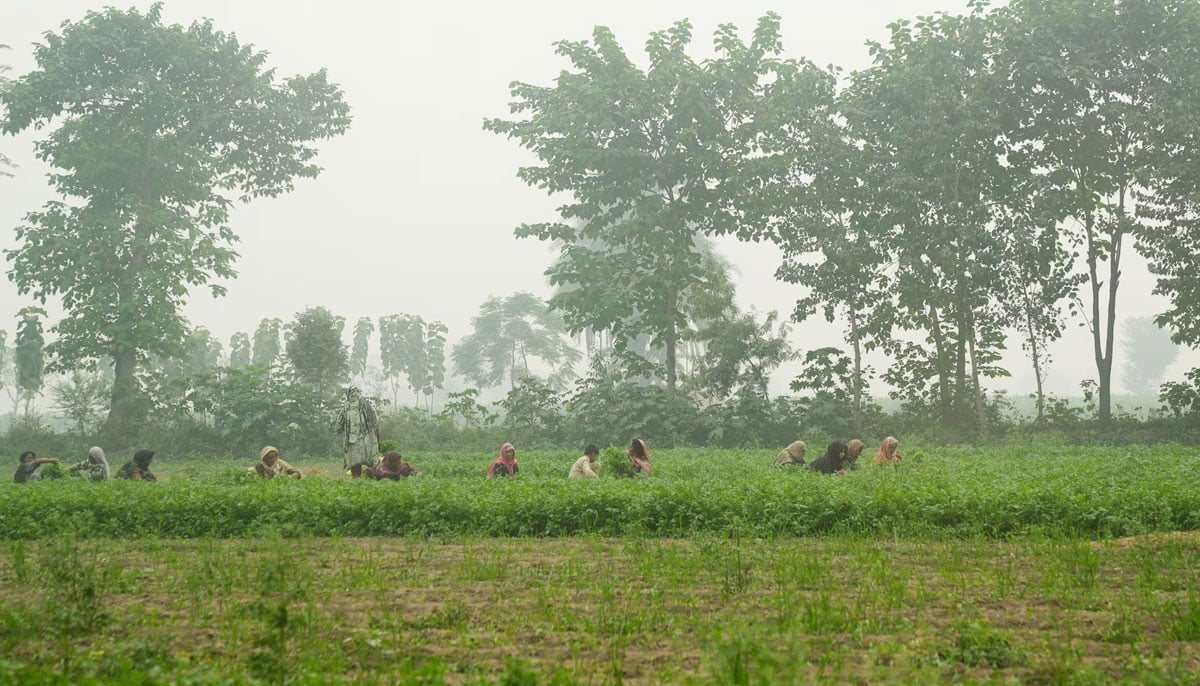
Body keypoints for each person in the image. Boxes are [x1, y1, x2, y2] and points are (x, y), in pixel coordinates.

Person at [335, 386, 381, 478]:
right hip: (368, 439)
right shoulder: (367, 406)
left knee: (355, 464)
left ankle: (357, 481)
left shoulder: (345, 409)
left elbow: (338, 427)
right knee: (372, 462)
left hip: (353, 441)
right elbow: (375, 422)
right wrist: (378, 435)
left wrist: (339, 432)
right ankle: (376, 478)